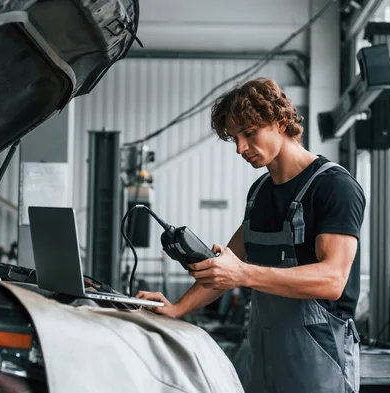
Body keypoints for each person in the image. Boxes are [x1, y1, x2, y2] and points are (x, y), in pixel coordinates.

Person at [136, 77, 366, 393]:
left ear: (281, 122)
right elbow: (223, 268)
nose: (241, 148)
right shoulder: (258, 193)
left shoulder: (334, 187)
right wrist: (177, 308)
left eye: (249, 134)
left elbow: (332, 280)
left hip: (319, 361)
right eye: (235, 139)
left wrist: (242, 274)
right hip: (263, 360)